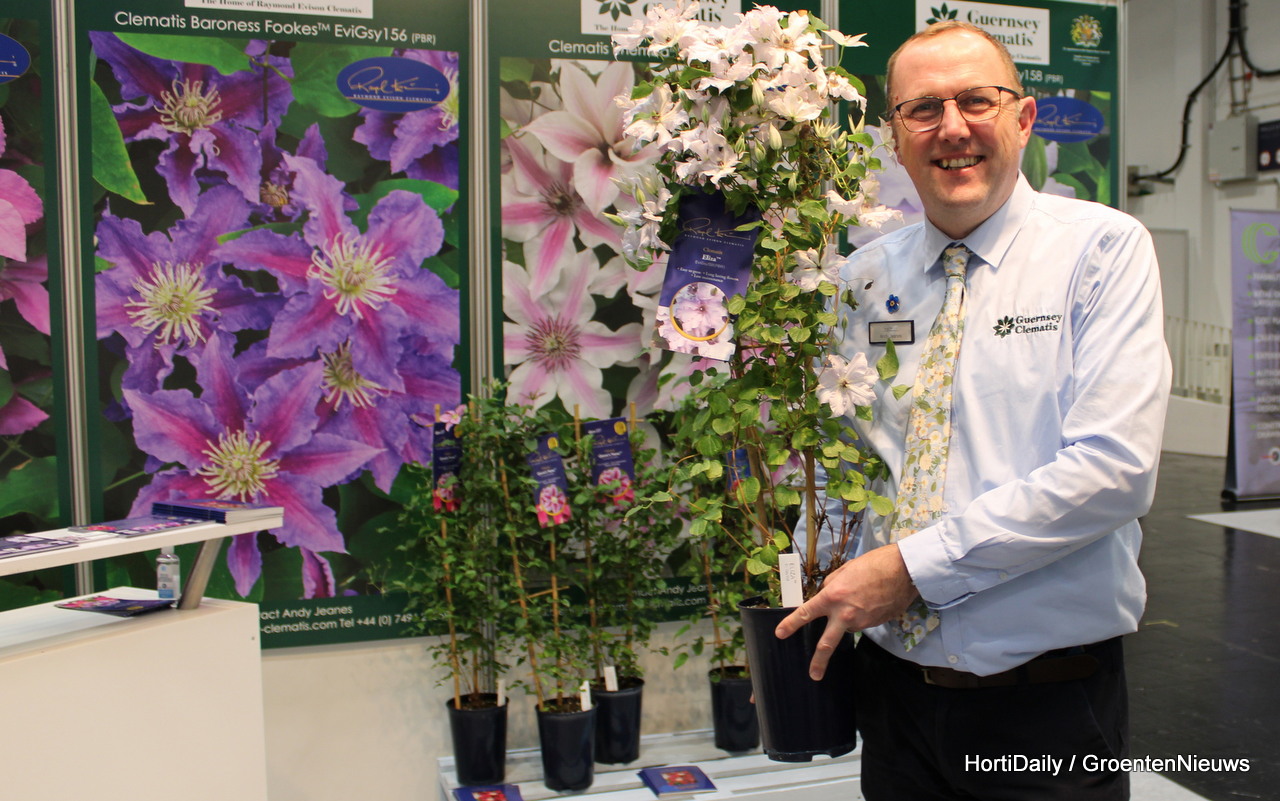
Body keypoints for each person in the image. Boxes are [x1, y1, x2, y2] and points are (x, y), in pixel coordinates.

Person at [775, 20, 1171, 801]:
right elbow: (847, 467)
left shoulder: (1101, 251)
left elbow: (1114, 470)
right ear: (895, 139)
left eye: (976, 101)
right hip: (894, 705)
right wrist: (800, 608)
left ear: (1023, 119)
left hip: (1045, 706)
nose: (951, 128)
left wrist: (912, 569)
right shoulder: (862, 281)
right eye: (923, 109)